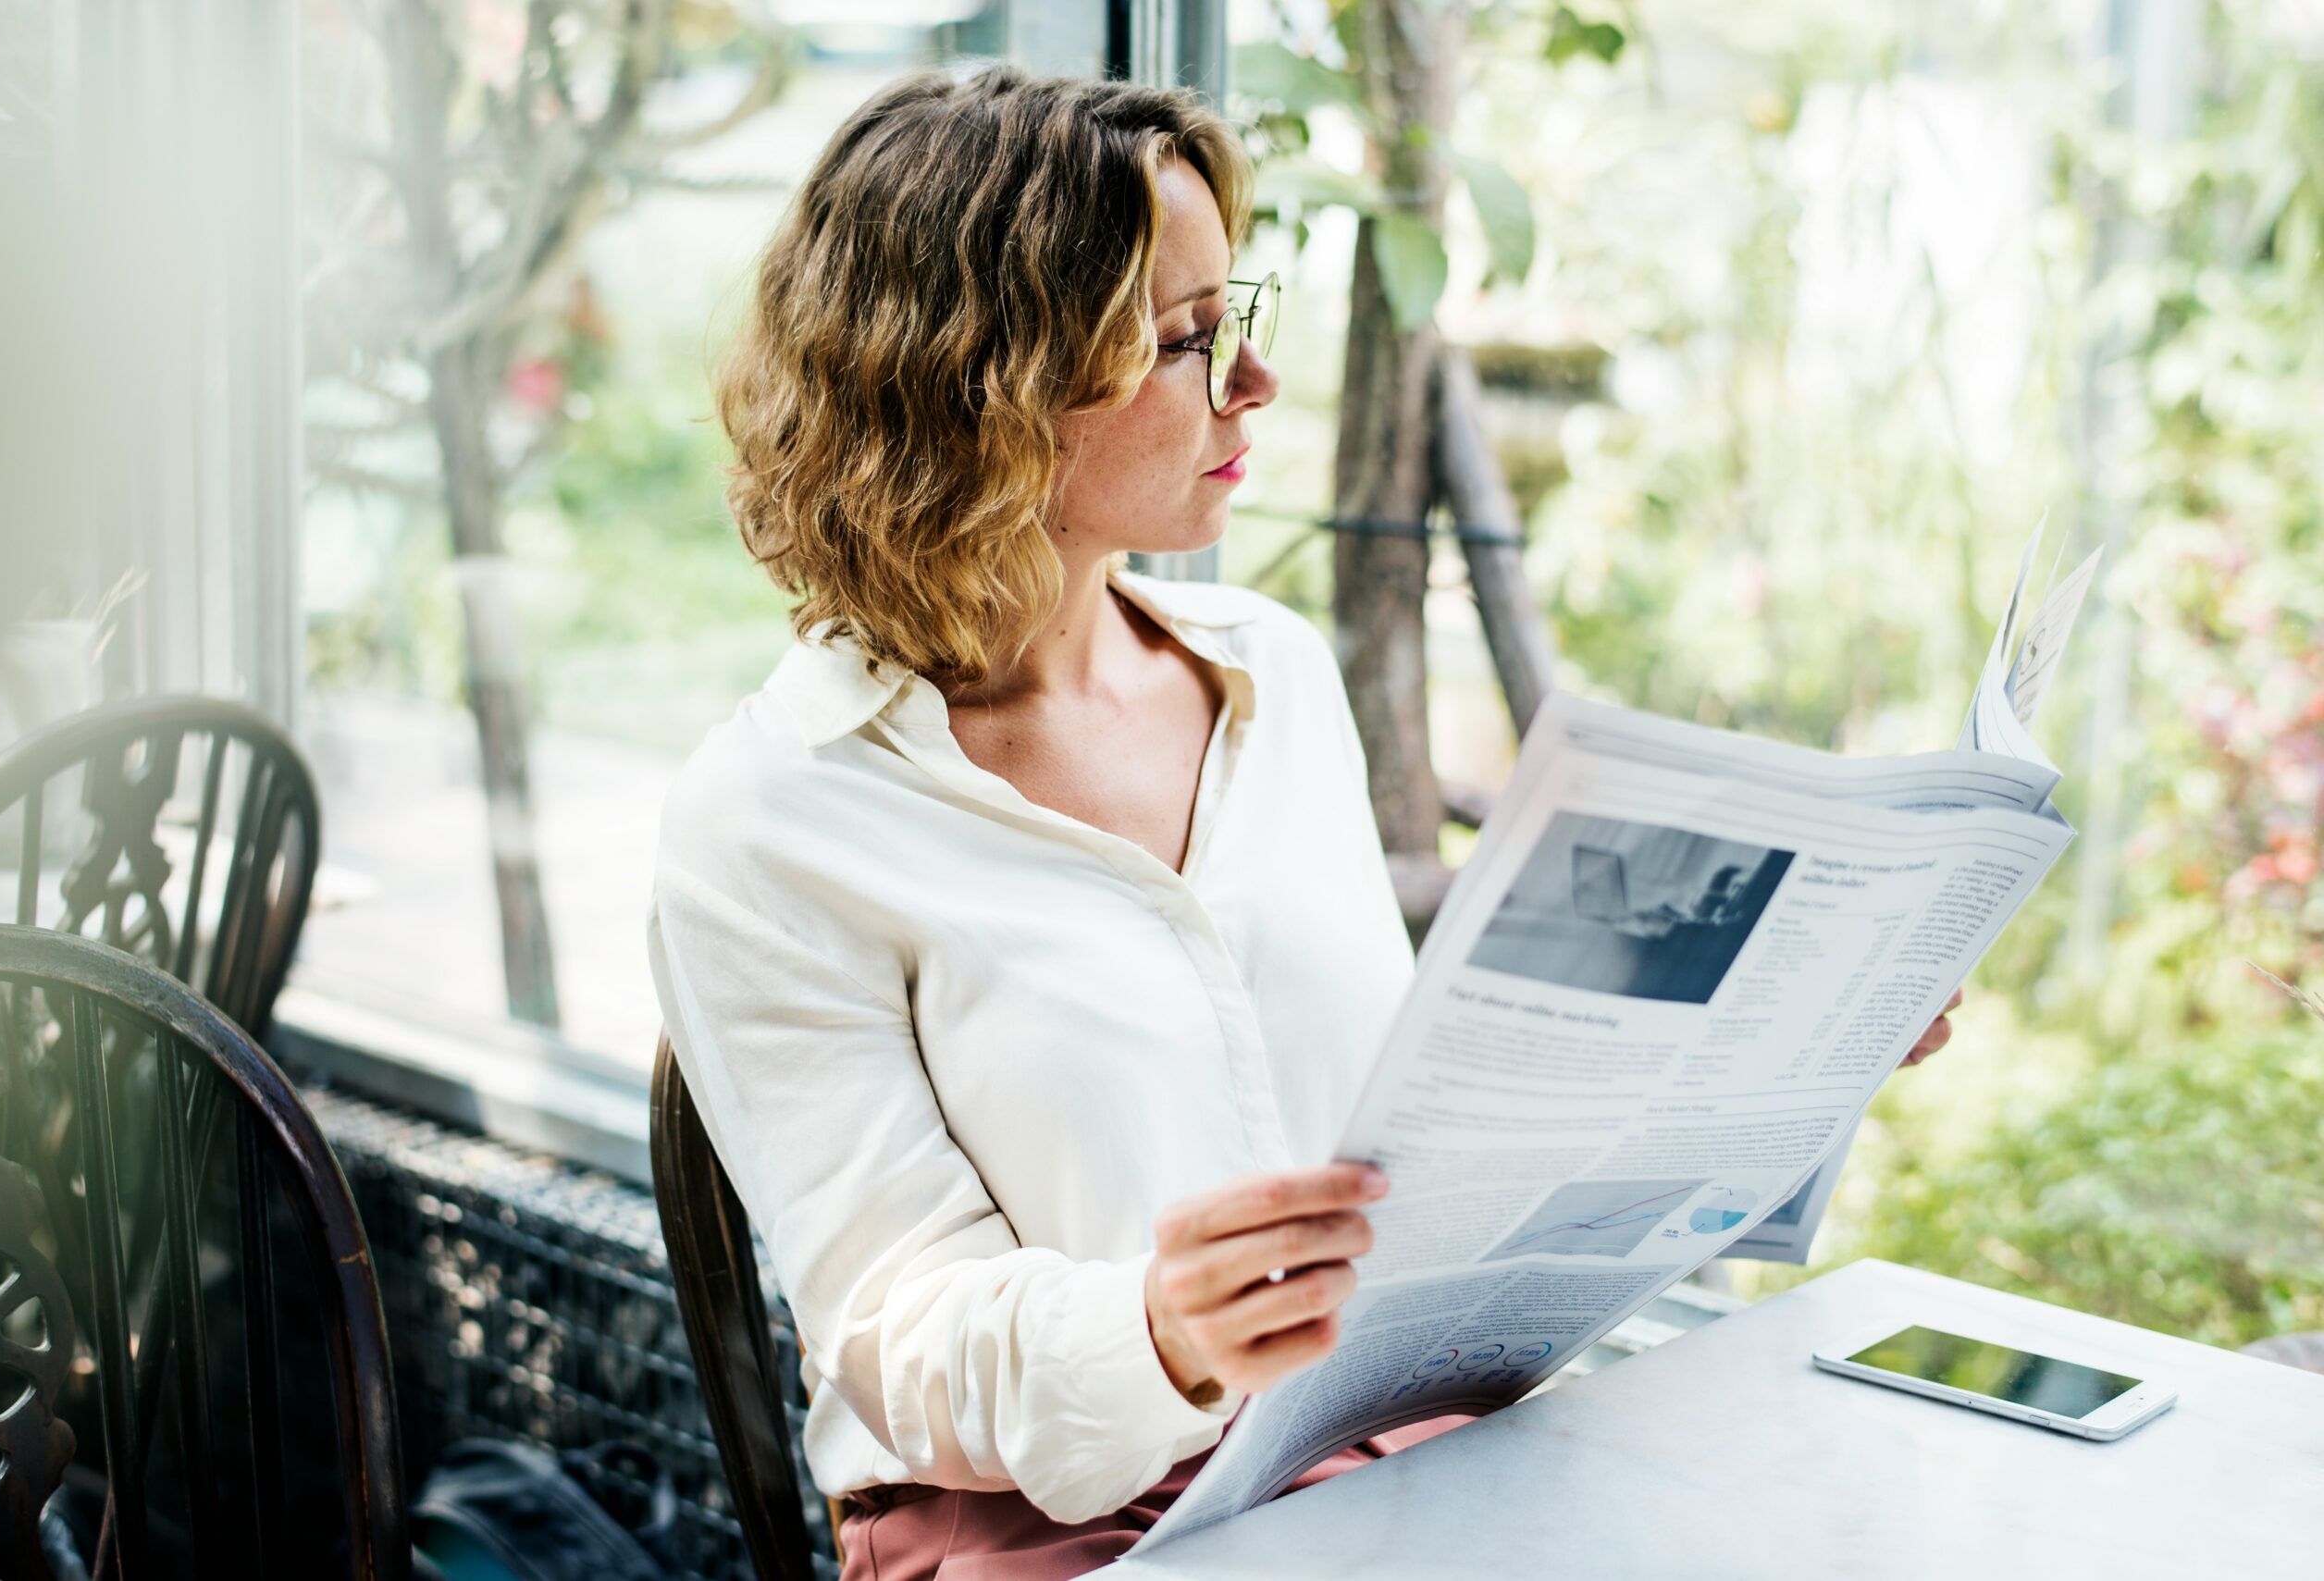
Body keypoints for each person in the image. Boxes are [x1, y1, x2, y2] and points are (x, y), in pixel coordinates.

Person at [649, 66, 1959, 1580]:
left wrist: (1789, 1040)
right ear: (980, 385)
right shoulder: (771, 820)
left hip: (1391, 1451)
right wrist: (1160, 1330)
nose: (1254, 381)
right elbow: (903, 1340)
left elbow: (1423, 1145)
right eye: (1182, 339)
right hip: (1061, 1525)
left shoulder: (1271, 675)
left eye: (1237, 313)